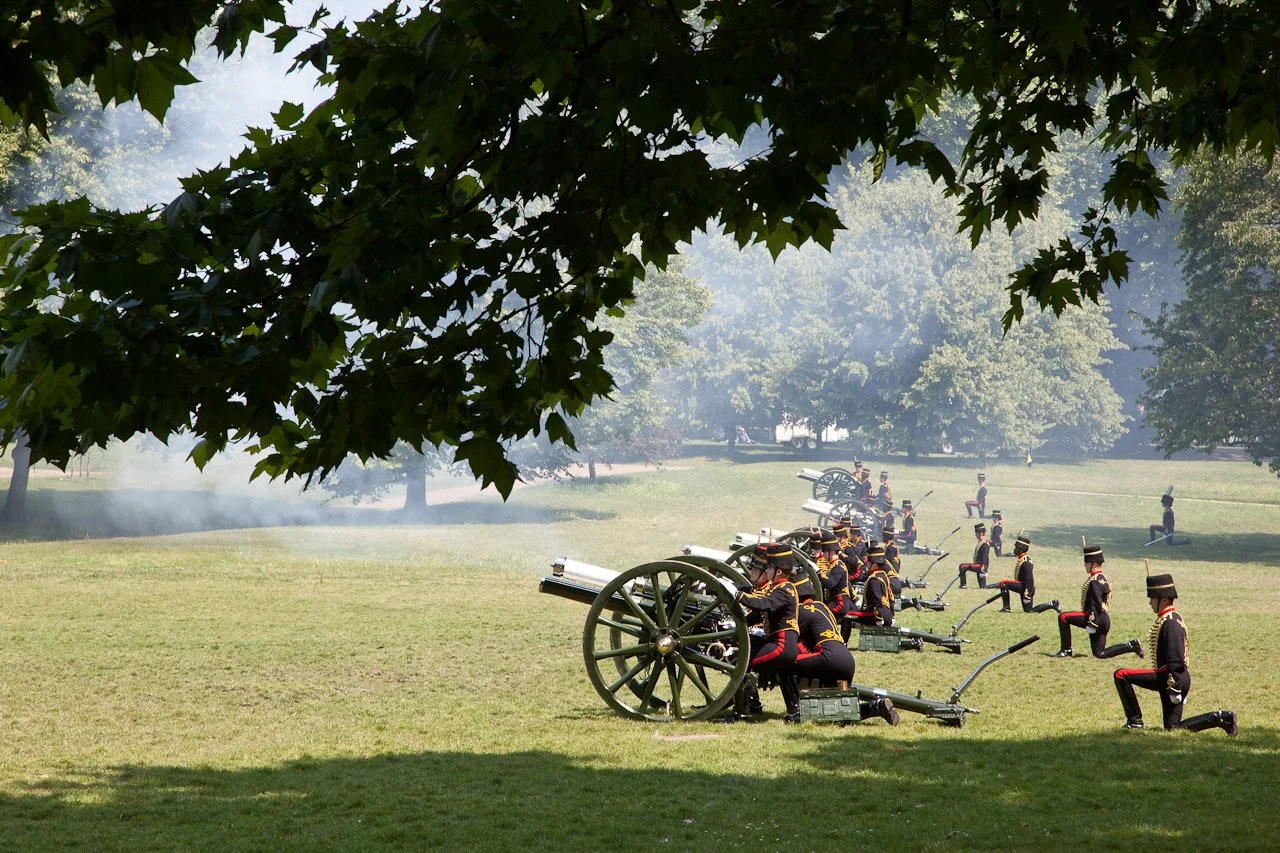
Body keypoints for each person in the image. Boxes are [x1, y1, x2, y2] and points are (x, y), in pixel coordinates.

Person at [1112, 573, 1238, 734]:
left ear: (1164, 600)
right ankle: (1221, 718)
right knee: (1173, 727)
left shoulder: (1170, 622)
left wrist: (1175, 686)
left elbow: (1176, 657)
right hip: (1175, 678)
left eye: (1153, 598)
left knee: (1121, 674)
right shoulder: (1171, 618)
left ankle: (1134, 720)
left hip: (1171, 678)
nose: (1150, 603)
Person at [789, 578, 899, 725]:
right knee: (836, 710)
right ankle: (876, 706)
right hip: (846, 659)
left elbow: (789, 640)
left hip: (828, 658)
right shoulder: (822, 607)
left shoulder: (803, 611)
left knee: (785, 663)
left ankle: (794, 710)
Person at [733, 542, 801, 719]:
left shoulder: (784, 589)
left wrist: (737, 595)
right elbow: (759, 615)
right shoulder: (779, 588)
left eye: (769, 567)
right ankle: (795, 711)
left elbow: (764, 604)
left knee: (740, 663)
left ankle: (742, 710)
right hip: (781, 644)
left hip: (781, 645)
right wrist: (735, 625)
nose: (767, 570)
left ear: (778, 571)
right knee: (784, 674)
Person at [1051, 544, 1143, 659]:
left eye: (1087, 562)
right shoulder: (1103, 578)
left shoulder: (1094, 581)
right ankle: (1131, 646)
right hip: (1104, 619)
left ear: (1093, 564)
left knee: (1063, 617)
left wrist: (1092, 623)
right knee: (1100, 653)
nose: (1085, 565)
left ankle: (1066, 650)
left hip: (1095, 617)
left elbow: (1096, 603)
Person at [991, 536, 1059, 613]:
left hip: (1026, 588)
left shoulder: (1026, 562)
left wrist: (1027, 594)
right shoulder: (1022, 559)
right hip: (1023, 587)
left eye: (1016, 548)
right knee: (1029, 610)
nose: (1014, 549)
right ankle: (1053, 604)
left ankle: (1006, 608)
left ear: (1021, 549)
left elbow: (1029, 579)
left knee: (1003, 583)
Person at [957, 523, 992, 589]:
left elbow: (985, 556)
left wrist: (983, 569)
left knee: (962, 566)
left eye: (977, 533)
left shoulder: (984, 543)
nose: (976, 534)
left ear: (980, 533)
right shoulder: (981, 542)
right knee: (982, 587)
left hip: (980, 566)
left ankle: (963, 585)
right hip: (979, 565)